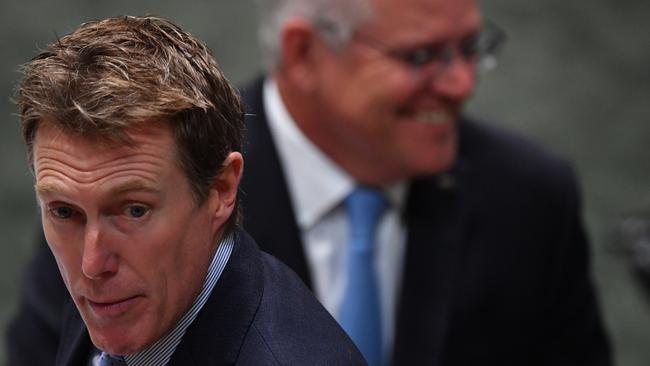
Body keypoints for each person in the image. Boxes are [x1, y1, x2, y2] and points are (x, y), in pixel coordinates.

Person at [5, 1, 613, 366]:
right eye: (421, 57)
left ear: (221, 193)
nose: (461, 84)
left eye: (469, 48)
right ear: (303, 53)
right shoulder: (100, 172)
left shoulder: (531, 199)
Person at [9, 15, 365, 366]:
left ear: (221, 189)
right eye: (64, 212)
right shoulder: (120, 293)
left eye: (134, 210)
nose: (91, 266)